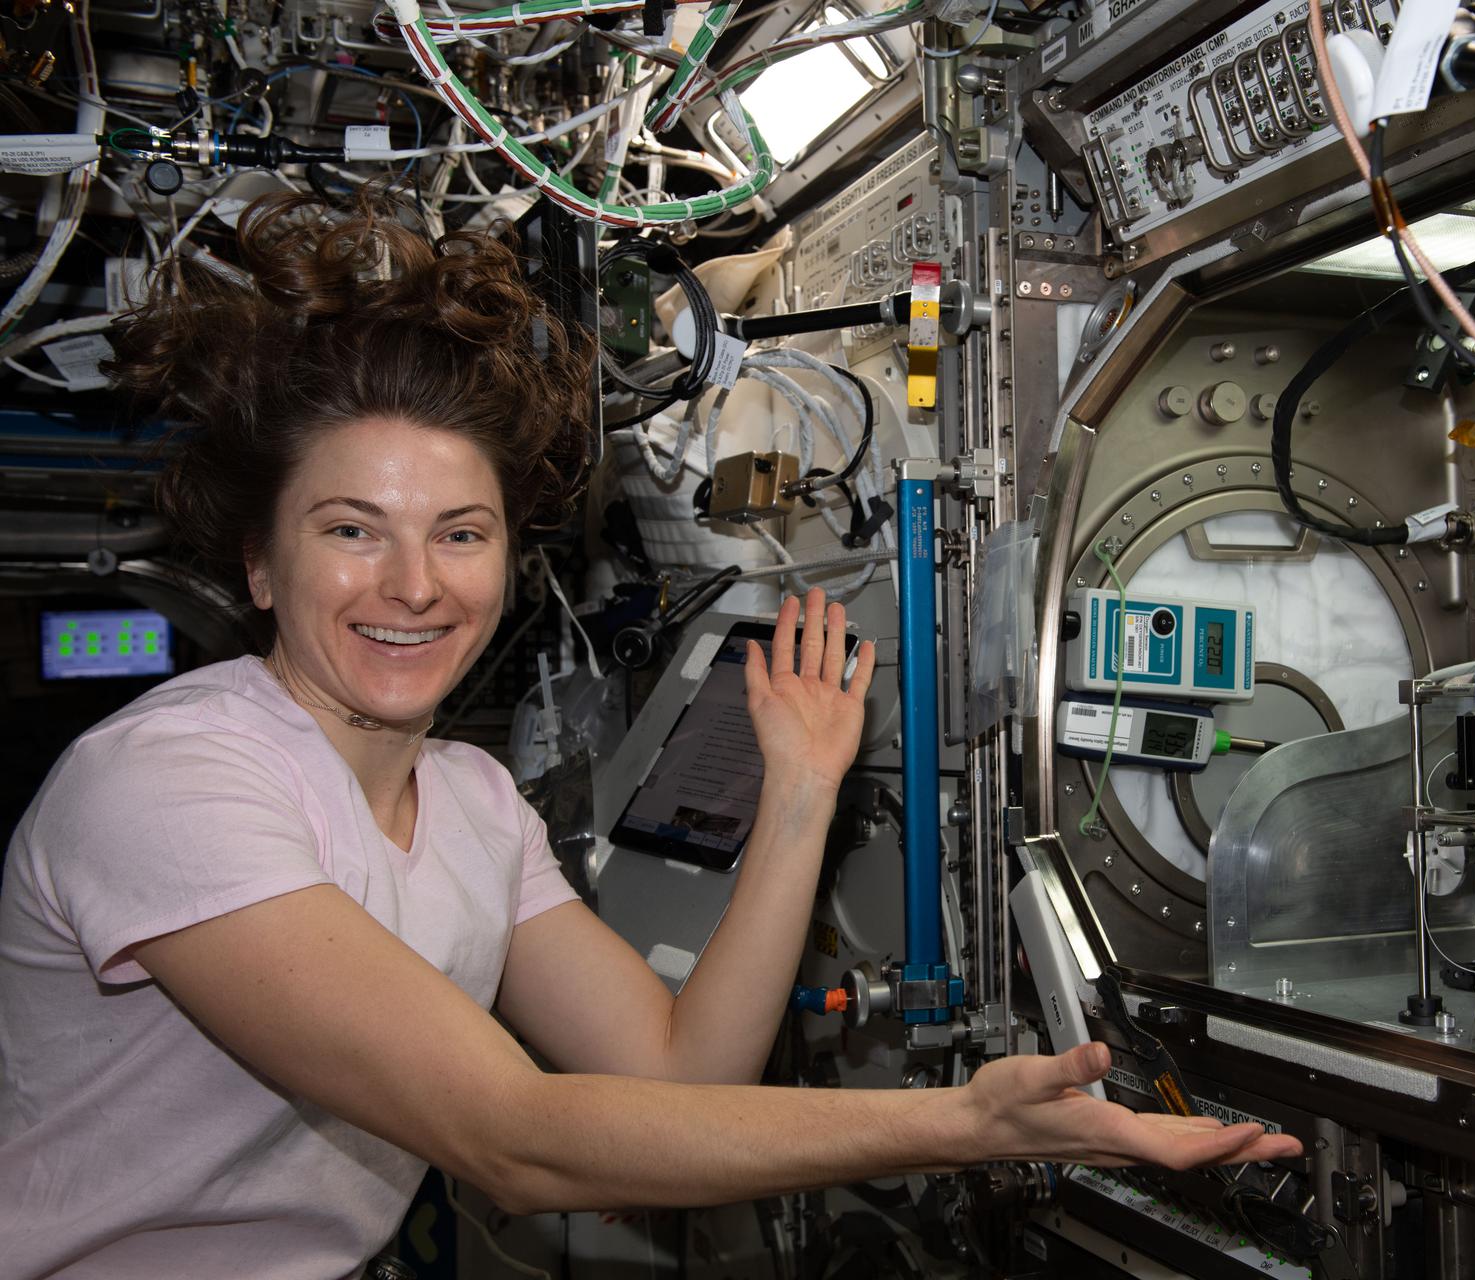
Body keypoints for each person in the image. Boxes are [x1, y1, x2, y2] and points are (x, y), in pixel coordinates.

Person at [0, 194, 1299, 1277]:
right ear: (262, 568)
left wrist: (799, 789)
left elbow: (682, 1069)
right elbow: (518, 1137)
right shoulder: (170, 780)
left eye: (461, 533)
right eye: (351, 530)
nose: (414, 585)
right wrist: (963, 1124)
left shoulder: (468, 802)